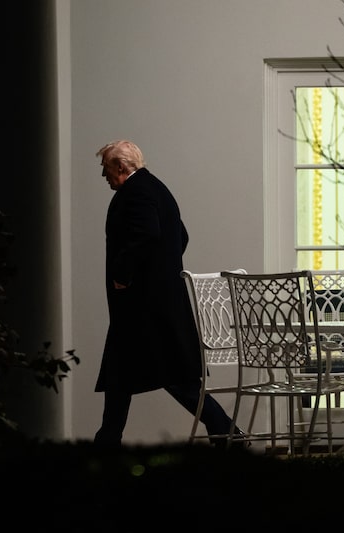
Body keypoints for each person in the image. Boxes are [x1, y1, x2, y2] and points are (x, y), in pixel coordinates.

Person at [92, 139, 246, 449]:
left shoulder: (134, 193)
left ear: (120, 167)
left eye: (106, 168)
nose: (103, 175)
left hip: (144, 307)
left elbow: (146, 234)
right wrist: (163, 269)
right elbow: (180, 235)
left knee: (175, 379)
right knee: (123, 375)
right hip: (154, 302)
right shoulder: (156, 188)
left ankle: (227, 433)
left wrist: (124, 275)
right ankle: (106, 442)